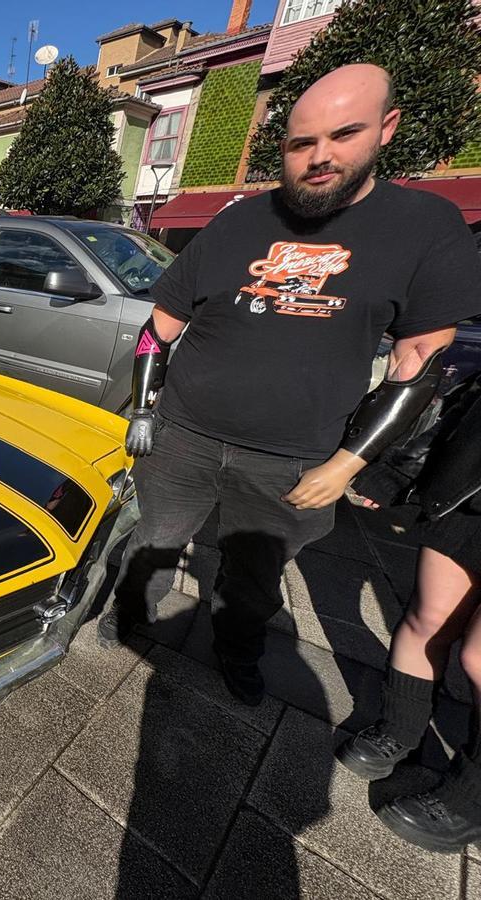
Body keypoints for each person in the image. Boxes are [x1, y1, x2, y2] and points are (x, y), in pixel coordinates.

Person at [97, 63, 481, 707]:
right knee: (152, 540)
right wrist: (141, 410)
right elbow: (157, 329)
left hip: (296, 456)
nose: (319, 157)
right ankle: (129, 613)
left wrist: (349, 462)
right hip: (182, 435)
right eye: (301, 144)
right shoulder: (237, 221)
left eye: (342, 135)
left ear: (386, 129)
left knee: (254, 575)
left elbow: (421, 362)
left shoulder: (423, 226)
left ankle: (236, 648)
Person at [336, 374, 481, 851]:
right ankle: (401, 730)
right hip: (470, 496)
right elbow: (469, 402)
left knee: (479, 659)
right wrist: (400, 471)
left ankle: (471, 799)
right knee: (427, 618)